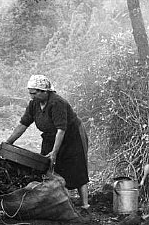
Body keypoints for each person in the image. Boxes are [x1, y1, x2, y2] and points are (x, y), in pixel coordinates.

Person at [5, 75, 90, 210]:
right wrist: (9, 142)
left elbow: (61, 130)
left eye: (35, 93)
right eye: (30, 93)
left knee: (76, 167)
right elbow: (23, 124)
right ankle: (56, 200)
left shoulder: (57, 103)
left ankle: (85, 204)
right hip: (50, 136)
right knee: (46, 166)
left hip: (72, 136)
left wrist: (54, 152)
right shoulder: (34, 104)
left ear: (45, 91)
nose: (32, 97)